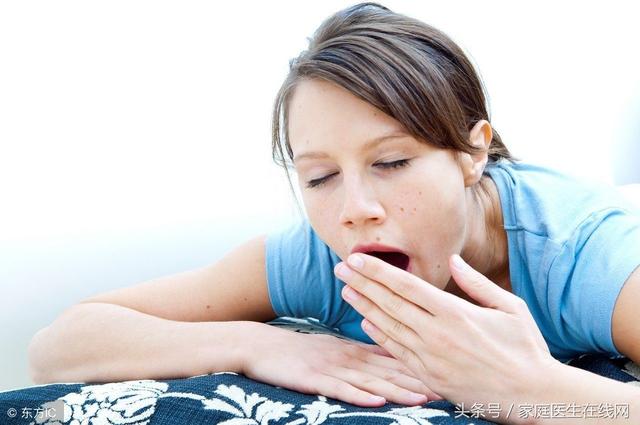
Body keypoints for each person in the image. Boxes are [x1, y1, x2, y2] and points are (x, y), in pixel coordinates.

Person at [29, 3, 640, 423]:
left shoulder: (584, 258)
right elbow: (60, 345)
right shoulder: (322, 255)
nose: (355, 211)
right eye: (320, 177)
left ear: (472, 152)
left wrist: (531, 389)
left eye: (392, 162)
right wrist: (254, 344)